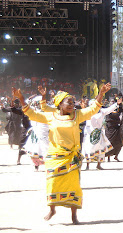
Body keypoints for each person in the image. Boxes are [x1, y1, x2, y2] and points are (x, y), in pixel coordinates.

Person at [14, 83, 111, 225]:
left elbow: (93, 108)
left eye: (73, 102)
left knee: (74, 186)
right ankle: (52, 209)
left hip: (72, 157)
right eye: (69, 102)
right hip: (54, 157)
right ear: (60, 104)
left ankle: (74, 215)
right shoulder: (51, 116)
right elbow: (31, 113)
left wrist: (101, 92)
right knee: (53, 183)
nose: (72, 104)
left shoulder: (77, 115)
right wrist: (21, 98)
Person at [82, 98, 122, 170]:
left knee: (101, 148)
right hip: (90, 133)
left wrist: (117, 104)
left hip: (99, 133)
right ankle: (87, 165)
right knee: (89, 148)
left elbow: (109, 109)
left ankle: (98, 165)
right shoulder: (88, 112)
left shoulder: (102, 111)